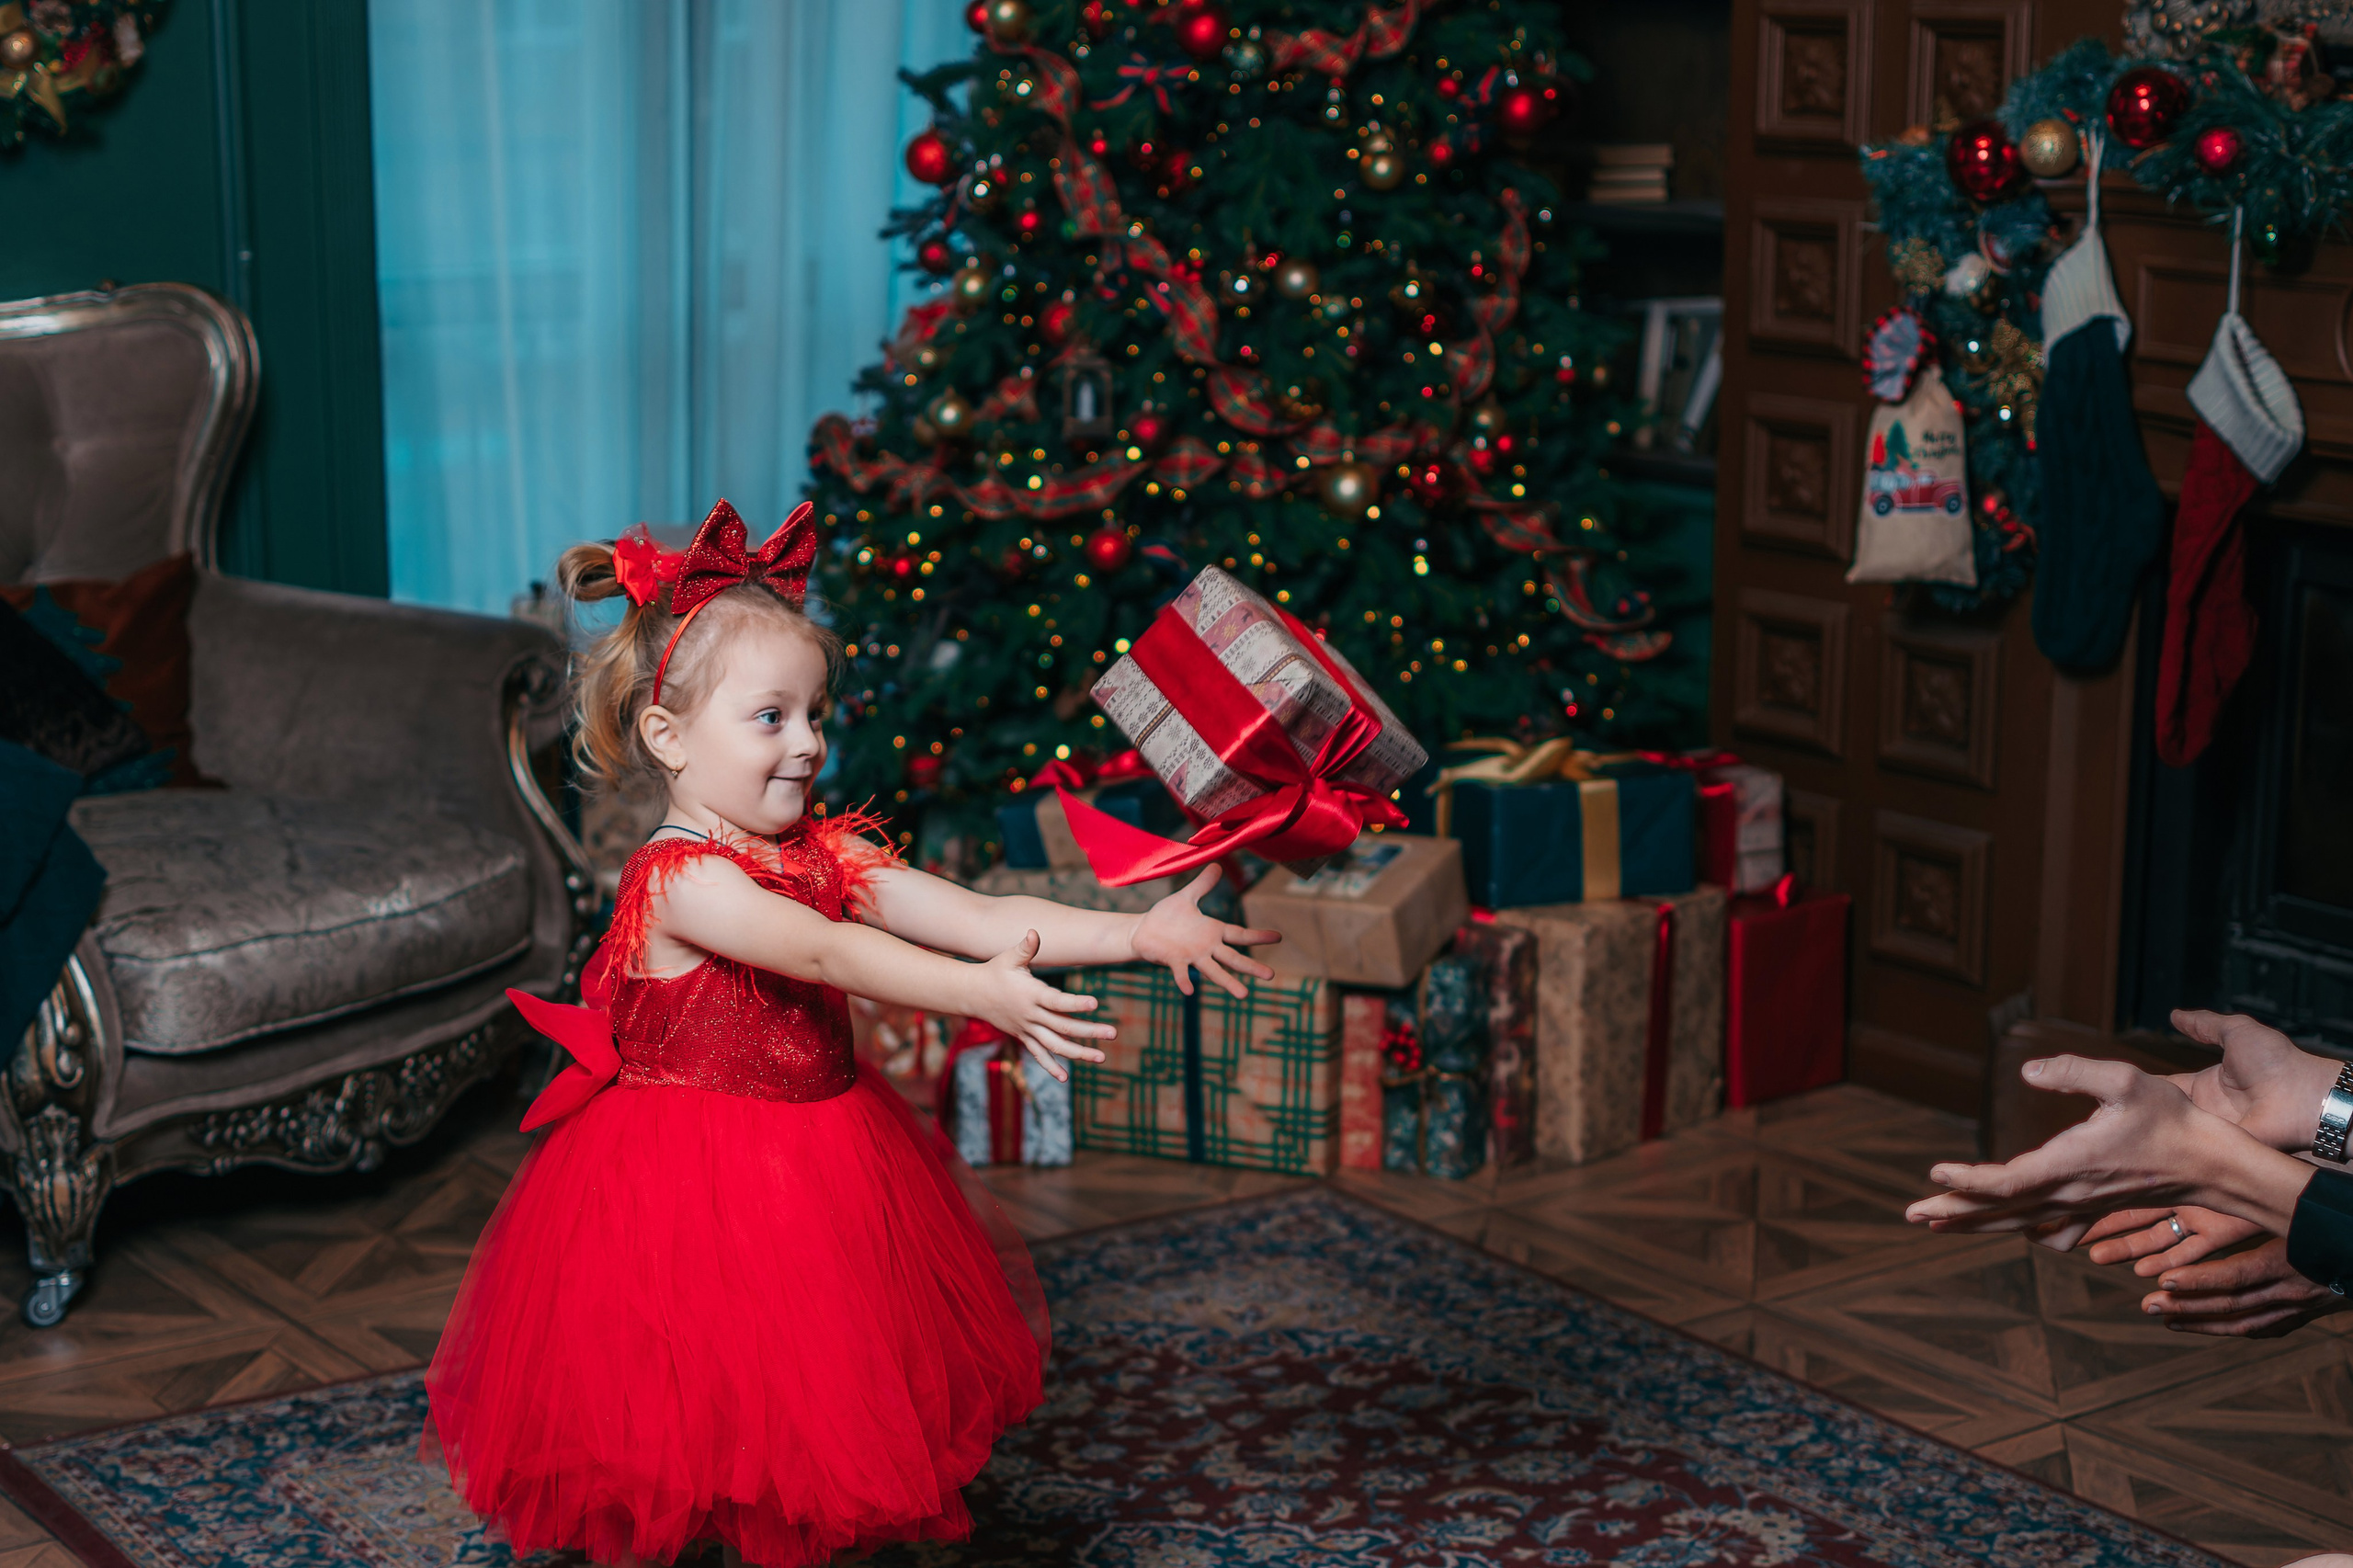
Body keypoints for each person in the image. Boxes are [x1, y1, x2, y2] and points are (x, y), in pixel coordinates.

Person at [425, 500, 1279, 1568]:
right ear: (668, 736)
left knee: (809, 1393)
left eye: (816, 713)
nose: (811, 743)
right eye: (771, 717)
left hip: (819, 1157)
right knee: (700, 1397)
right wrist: (977, 994)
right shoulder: (681, 878)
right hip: (686, 1182)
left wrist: (1137, 932)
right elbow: (825, 955)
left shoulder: (822, 849)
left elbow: (967, 909)